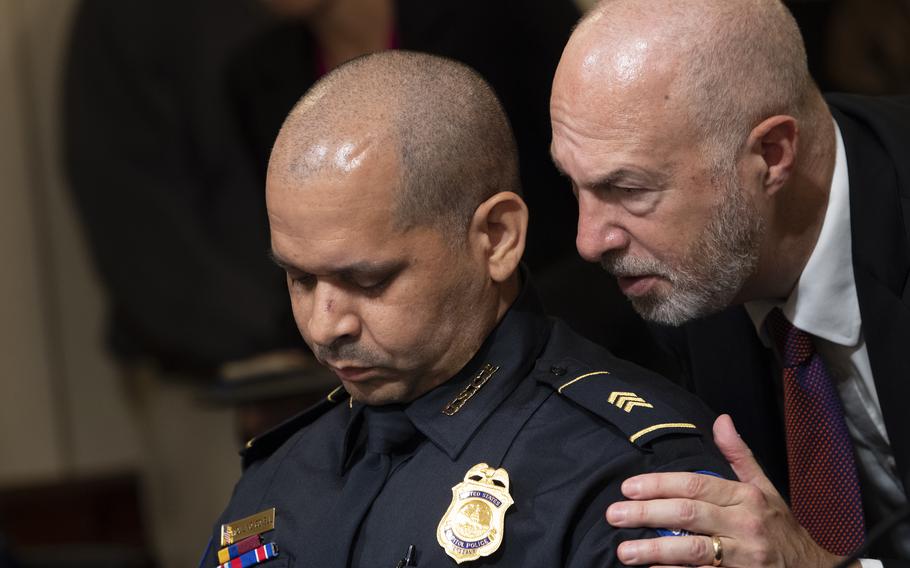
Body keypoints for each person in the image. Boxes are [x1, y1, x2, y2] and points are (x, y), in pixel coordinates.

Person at [201, 51, 733, 568]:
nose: (324, 325)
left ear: (497, 238)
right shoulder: (280, 473)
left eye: (367, 279)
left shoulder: (634, 479)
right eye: (299, 279)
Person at [550, 0, 910, 566]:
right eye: (574, 185)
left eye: (627, 188)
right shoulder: (668, 279)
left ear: (772, 154)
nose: (590, 241)